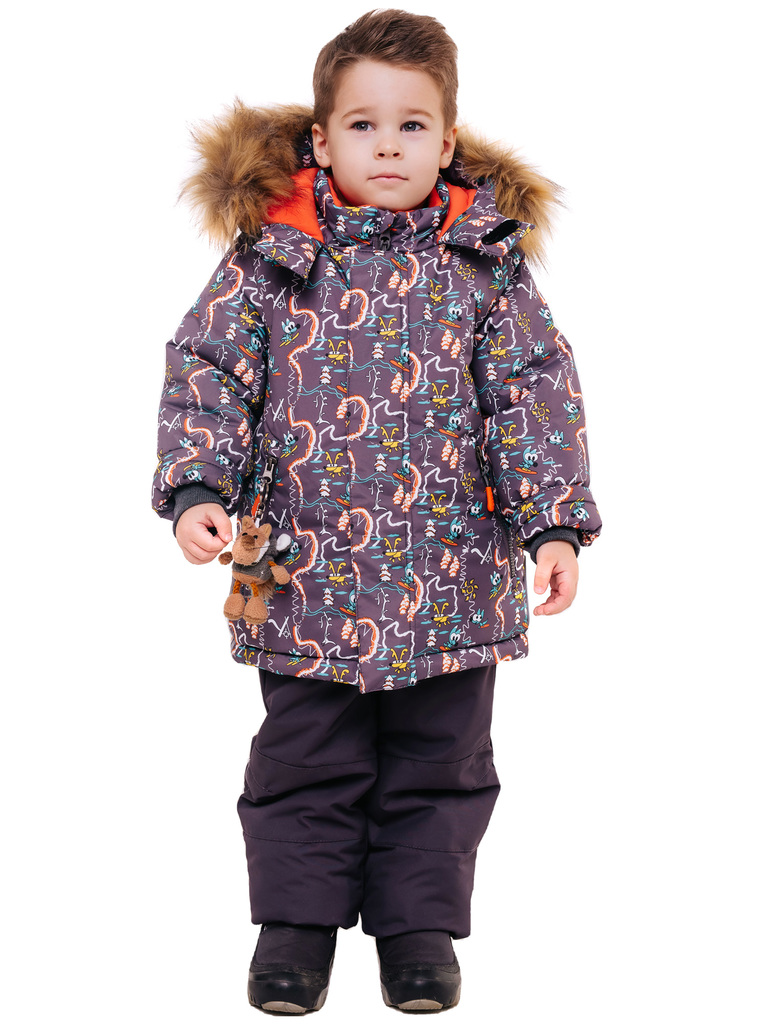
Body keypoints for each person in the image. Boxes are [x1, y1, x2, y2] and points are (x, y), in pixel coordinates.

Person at [152, 9, 602, 1014]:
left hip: (453, 576)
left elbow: (532, 390)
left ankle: (418, 929)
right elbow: (209, 372)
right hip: (301, 572)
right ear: (321, 141)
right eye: (363, 125)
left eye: (411, 126)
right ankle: (295, 927)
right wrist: (197, 488)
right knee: (302, 757)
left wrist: (553, 524)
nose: (387, 146)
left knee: (442, 762)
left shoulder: (484, 263)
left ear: (447, 143)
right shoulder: (271, 259)